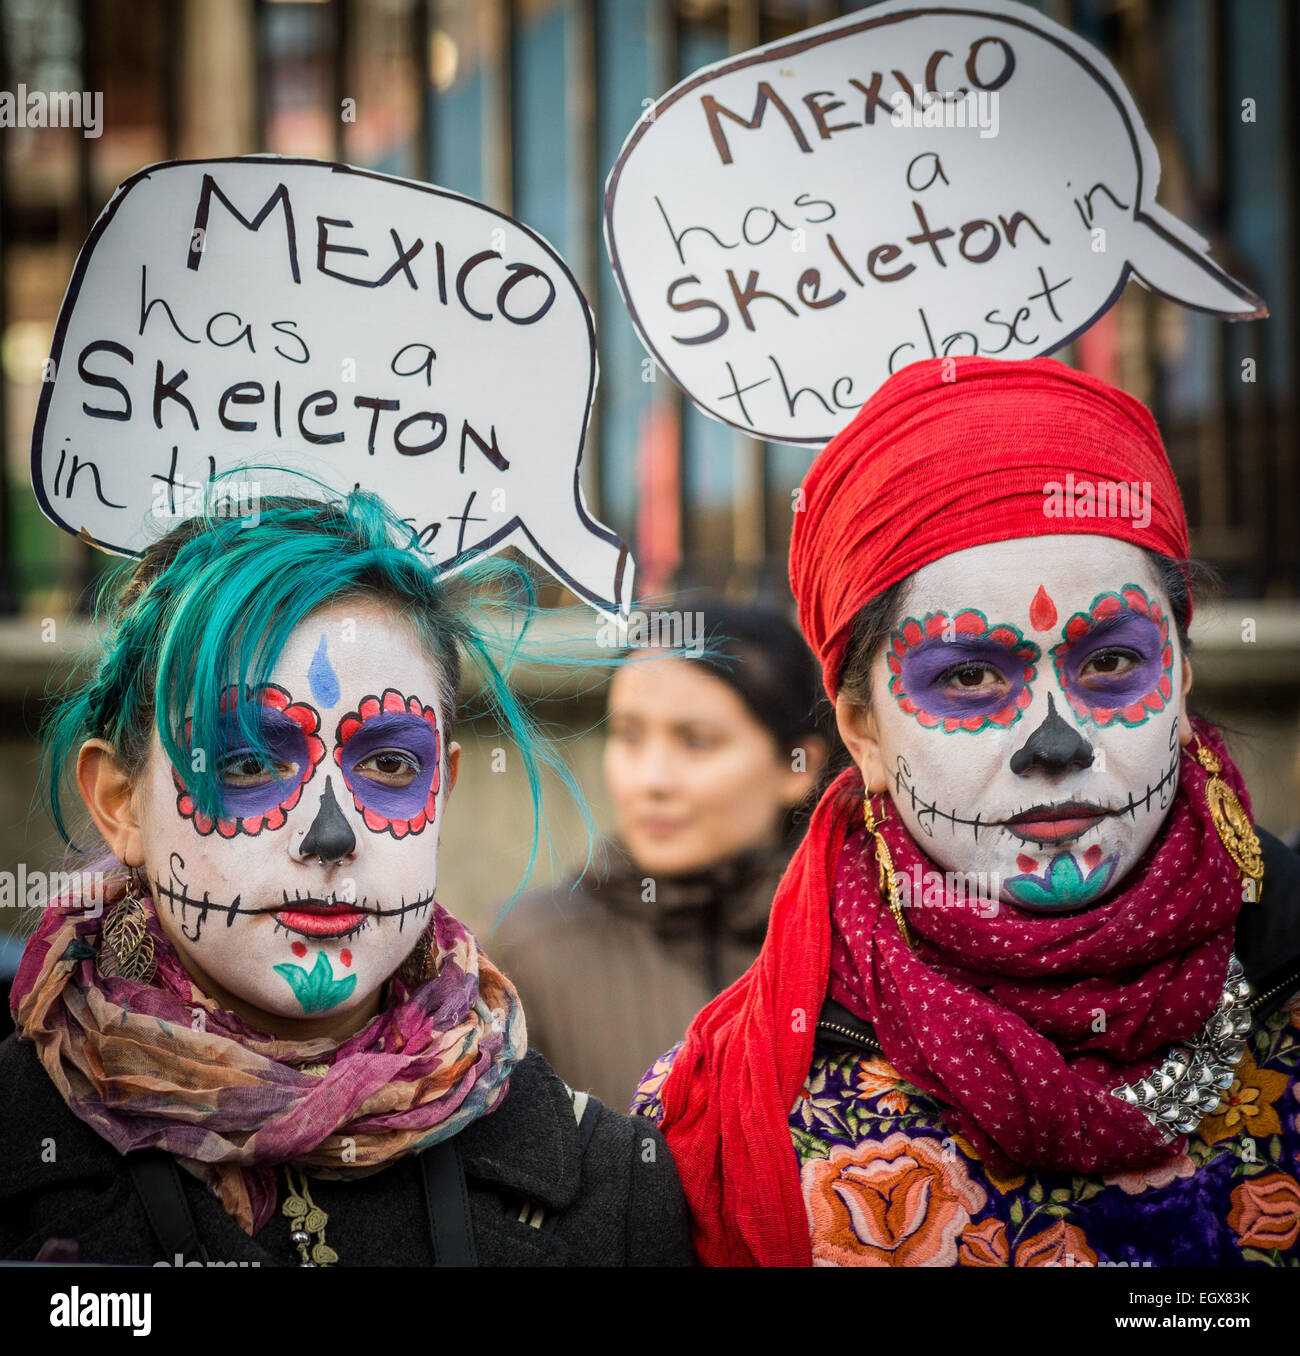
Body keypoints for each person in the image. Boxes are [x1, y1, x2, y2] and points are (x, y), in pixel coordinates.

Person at [631, 355, 1300, 1267]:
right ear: (863, 731)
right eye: (972, 677)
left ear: (1182, 677)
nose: (1053, 744)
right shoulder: (716, 1116)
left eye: (1109, 664)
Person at [0, 488, 693, 1266]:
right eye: (249, 762)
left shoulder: (613, 1186)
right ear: (121, 803)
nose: (330, 836)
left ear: (443, 791)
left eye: (390, 764)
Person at [491, 602, 828, 1110]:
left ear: (798, 766)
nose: (651, 781)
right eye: (628, 736)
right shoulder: (526, 955)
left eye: (696, 742)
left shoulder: (861, 950)